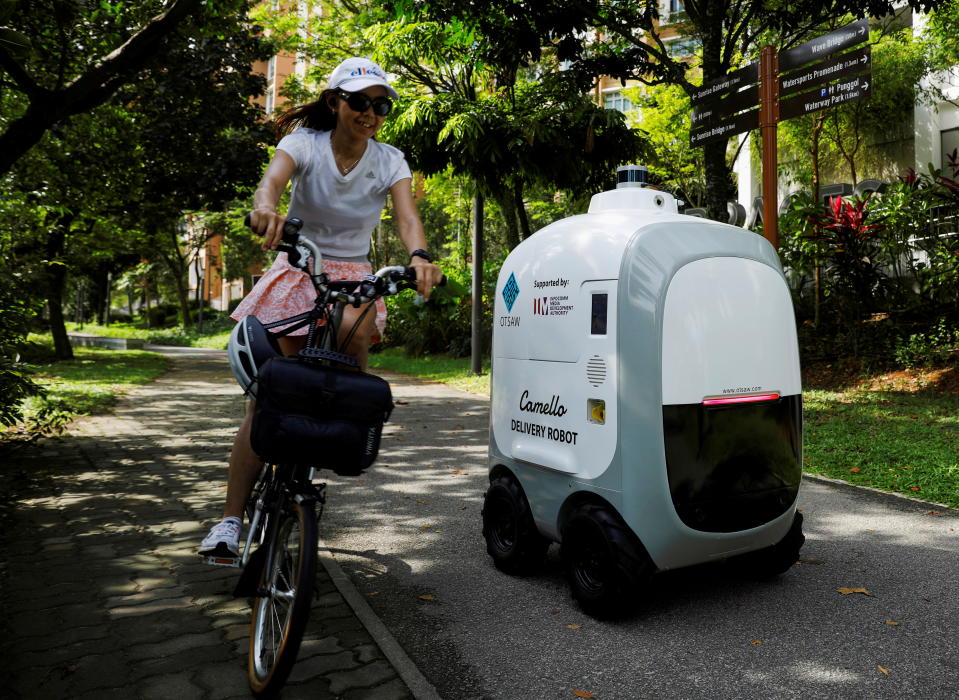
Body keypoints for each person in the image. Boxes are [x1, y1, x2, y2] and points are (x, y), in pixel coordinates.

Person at [199, 57, 443, 557]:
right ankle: (228, 521)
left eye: (381, 105)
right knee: (269, 397)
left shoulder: (390, 159)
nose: (370, 113)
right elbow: (272, 182)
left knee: (350, 350)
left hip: (353, 273)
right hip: (300, 263)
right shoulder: (304, 144)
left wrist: (419, 256)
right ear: (335, 102)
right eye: (359, 102)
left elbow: (407, 218)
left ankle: (322, 448)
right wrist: (266, 207)